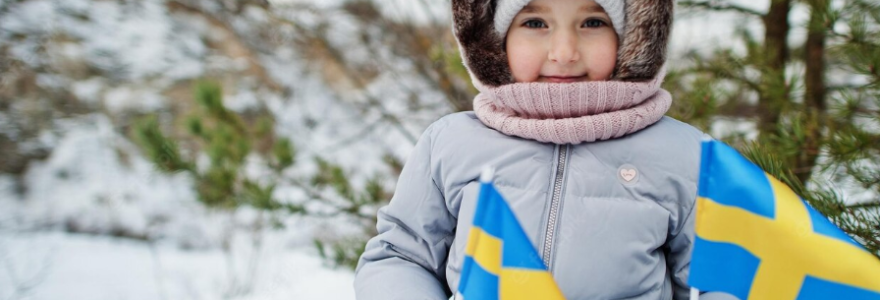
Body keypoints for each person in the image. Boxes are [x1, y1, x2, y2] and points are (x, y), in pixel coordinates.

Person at [355, 0, 735, 299]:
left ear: (636, 37)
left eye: (593, 22)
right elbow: (401, 255)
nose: (564, 51)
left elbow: (721, 280)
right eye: (535, 23)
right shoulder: (451, 142)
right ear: (493, 40)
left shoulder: (685, 154)